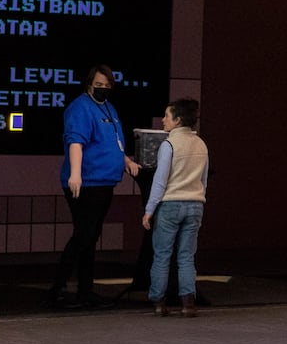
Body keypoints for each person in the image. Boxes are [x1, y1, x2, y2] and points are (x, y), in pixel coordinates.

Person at [47, 64, 137, 309]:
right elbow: (75, 142)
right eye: (99, 86)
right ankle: (57, 290)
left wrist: (126, 160)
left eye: (107, 86)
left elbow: (114, 142)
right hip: (86, 183)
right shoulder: (81, 108)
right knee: (83, 235)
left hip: (104, 182)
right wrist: (75, 175)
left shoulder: (108, 107)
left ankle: (85, 291)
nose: (103, 90)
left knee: (90, 237)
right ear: (89, 85)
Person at [141, 98, 209, 318]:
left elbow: (160, 181)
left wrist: (149, 210)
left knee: (162, 255)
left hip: (170, 205)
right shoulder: (201, 144)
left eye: (167, 116)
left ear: (178, 120)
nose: (163, 120)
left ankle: (159, 302)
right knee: (187, 256)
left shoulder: (168, 145)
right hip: (195, 204)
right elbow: (204, 179)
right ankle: (188, 303)